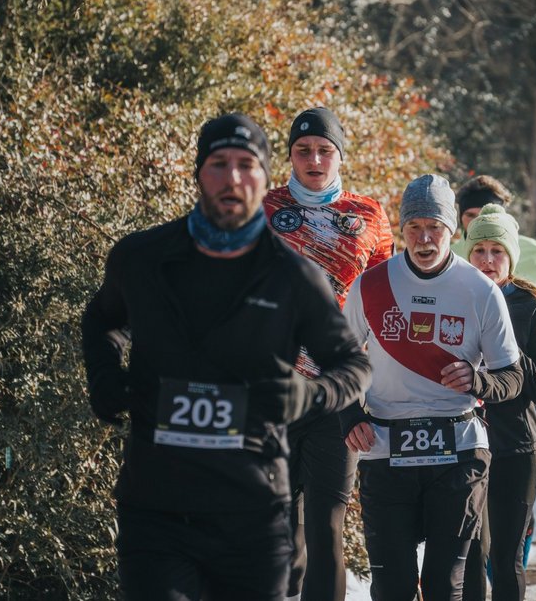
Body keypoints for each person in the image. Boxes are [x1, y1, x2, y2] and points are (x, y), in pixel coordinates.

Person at [81, 112, 371, 601]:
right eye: (218, 163)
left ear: (263, 177)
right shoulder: (142, 257)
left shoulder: (294, 277)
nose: (232, 177)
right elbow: (103, 320)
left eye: (245, 164)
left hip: (252, 510)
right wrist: (105, 376)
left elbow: (352, 364)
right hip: (158, 504)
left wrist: (309, 395)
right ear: (198, 173)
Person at [339, 174, 524, 601]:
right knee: (393, 587)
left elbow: (512, 377)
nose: (425, 239)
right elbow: (340, 363)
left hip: (458, 449)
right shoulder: (371, 285)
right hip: (385, 445)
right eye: (414, 227)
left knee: (444, 585)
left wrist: (478, 380)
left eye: (435, 228)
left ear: (453, 231)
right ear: (402, 230)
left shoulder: (480, 291)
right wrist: (350, 415)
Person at [263, 107, 393, 601]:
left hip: (340, 389)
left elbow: (386, 304)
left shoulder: (370, 215)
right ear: (290, 156)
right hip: (275, 383)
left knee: (326, 526)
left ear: (340, 155)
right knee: (274, 525)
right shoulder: (265, 206)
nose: (314, 159)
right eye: (303, 150)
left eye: (324, 150)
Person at [459, 204, 536, 601]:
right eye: (479, 249)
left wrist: (511, 354)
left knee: (504, 558)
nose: (487, 259)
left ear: (510, 257)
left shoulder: (529, 306)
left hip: (515, 446)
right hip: (464, 443)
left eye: (496, 251)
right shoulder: (453, 296)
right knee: (467, 553)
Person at [451, 174, 536, 354]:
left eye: (485, 212)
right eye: (470, 215)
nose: (478, 221)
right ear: (460, 218)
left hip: (524, 371)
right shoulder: (448, 257)